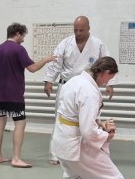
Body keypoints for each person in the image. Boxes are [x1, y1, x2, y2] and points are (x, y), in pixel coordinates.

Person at [47, 56, 124, 179]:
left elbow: (76, 116)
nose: (107, 82)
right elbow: (88, 131)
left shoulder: (74, 81)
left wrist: (100, 125)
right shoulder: (89, 91)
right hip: (73, 141)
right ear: (104, 72)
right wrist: (106, 135)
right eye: (109, 78)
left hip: (61, 139)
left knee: (71, 177)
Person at [44, 16, 114, 165]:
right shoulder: (65, 43)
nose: (78, 33)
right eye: (75, 30)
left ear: (89, 28)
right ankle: (55, 153)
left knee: (88, 120)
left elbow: (107, 64)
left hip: (87, 87)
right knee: (61, 118)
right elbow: (56, 62)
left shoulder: (98, 44)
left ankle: (85, 151)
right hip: (67, 86)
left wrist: (109, 84)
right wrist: (49, 80)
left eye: (81, 30)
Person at [0, 22, 56, 168]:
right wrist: (46, 59)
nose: (23, 39)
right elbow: (32, 68)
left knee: (0, 122)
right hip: (14, 94)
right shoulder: (18, 49)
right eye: (23, 36)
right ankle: (16, 158)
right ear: (18, 34)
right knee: (20, 123)